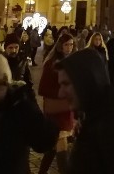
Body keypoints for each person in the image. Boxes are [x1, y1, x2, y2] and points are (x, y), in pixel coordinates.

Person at [56, 48, 114, 173]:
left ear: (85, 82)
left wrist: (62, 154)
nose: (60, 94)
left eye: (66, 84)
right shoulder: (96, 115)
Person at [37, 33, 75, 174]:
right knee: (61, 143)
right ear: (60, 46)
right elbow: (42, 88)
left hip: (67, 109)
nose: (69, 48)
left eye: (71, 44)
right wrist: (60, 92)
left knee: (53, 146)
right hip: (56, 110)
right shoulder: (51, 63)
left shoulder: (71, 61)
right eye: (66, 45)